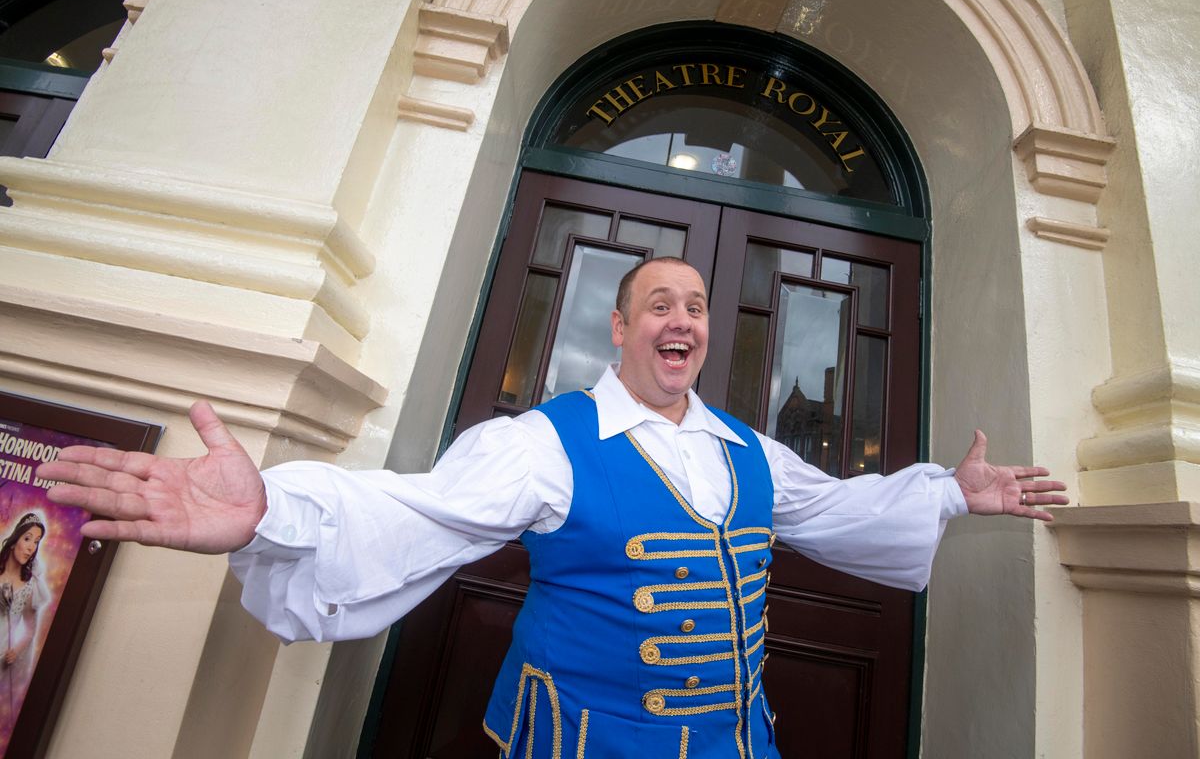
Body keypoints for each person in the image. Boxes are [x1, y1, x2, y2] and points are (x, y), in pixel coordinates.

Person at [36, 258, 1068, 758]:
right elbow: (418, 511)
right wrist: (269, 509)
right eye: (660, 302)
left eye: (698, 306)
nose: (683, 318)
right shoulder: (543, 444)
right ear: (618, 328)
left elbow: (841, 510)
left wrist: (950, 490)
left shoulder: (748, 448)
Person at [0, 512, 47, 729]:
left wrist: (15, 651)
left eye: (36, 542)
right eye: (27, 539)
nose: (31, 547)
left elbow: (29, 629)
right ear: (15, 539)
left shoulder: (30, 588)